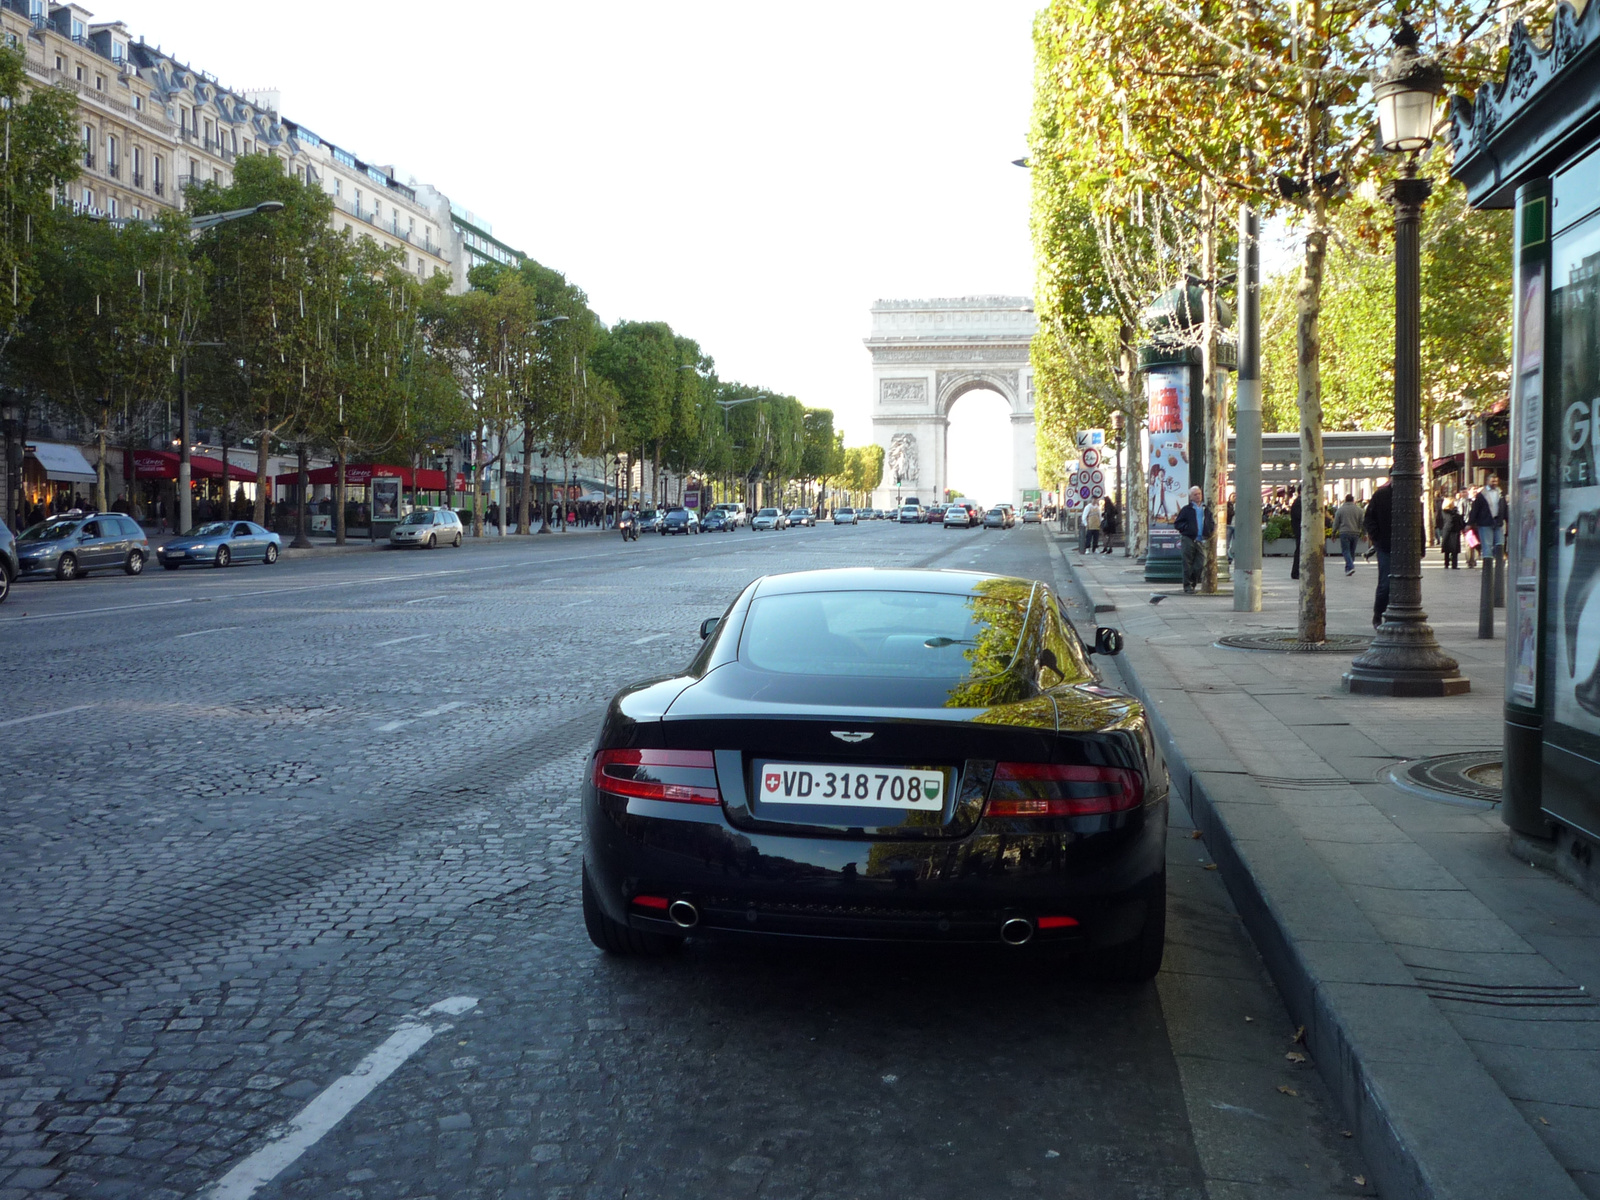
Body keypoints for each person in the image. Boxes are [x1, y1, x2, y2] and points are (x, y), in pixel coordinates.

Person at [1173, 485, 1215, 595]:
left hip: (1201, 540)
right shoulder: (1186, 510)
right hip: (1188, 538)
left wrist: (1210, 530)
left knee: (1200, 563)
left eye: (1199, 494)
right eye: (1195, 494)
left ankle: (1193, 582)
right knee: (1187, 562)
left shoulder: (1206, 509)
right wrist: (1186, 529)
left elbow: (1211, 522)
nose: (1198, 496)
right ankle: (1187, 586)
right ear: (1190, 497)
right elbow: (1177, 523)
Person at [1364, 480, 1393, 629]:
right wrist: (1376, 537)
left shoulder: (1411, 493)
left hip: (1406, 546)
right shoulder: (1381, 495)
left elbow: (1417, 519)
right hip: (1385, 545)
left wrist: (1421, 546)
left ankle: (1393, 614)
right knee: (1385, 583)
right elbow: (1369, 517)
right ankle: (1378, 613)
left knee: (1407, 583)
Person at [1469, 474, 1507, 565]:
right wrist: (1470, 523)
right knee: (1487, 545)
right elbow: (1475, 509)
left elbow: (1504, 508)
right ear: (1487, 481)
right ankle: (1487, 566)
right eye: (1492, 481)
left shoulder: (1500, 493)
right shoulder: (1482, 494)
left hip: (1498, 522)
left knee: (1499, 544)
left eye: (1496, 481)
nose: (1494, 483)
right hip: (1485, 523)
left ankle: (1499, 564)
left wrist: (1507, 520)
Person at [1333, 493, 1365, 576]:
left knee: (1346, 551)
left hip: (1344, 532)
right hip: (1355, 533)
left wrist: (1333, 533)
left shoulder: (1340, 510)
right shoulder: (1359, 510)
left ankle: (1350, 567)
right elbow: (1362, 523)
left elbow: (1336, 523)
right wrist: (1364, 534)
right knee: (1352, 551)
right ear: (1353, 500)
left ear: (1345, 500)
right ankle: (1349, 568)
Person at [1438, 498, 1464, 569]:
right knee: (1447, 549)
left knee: (1454, 550)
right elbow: (1450, 520)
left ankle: (1454, 564)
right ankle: (1446, 563)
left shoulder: (1455, 512)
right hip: (1449, 531)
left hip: (1454, 531)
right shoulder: (1445, 512)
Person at [1289, 488, 1303, 580]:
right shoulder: (1298, 503)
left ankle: (1298, 571)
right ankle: (1295, 572)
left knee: (1300, 550)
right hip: (1300, 530)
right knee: (1299, 551)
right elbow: (1300, 516)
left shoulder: (1298, 502)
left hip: (1300, 530)